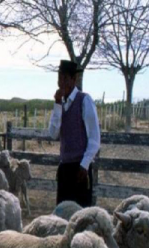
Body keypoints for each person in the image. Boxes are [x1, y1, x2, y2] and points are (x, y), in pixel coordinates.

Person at [48, 60, 100, 207]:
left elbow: (94, 139)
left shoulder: (84, 101)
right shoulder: (61, 104)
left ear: (73, 79)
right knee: (62, 215)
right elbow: (53, 134)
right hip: (65, 169)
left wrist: (84, 166)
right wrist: (57, 104)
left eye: (65, 78)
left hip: (80, 169)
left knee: (81, 216)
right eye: (59, 78)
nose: (61, 82)